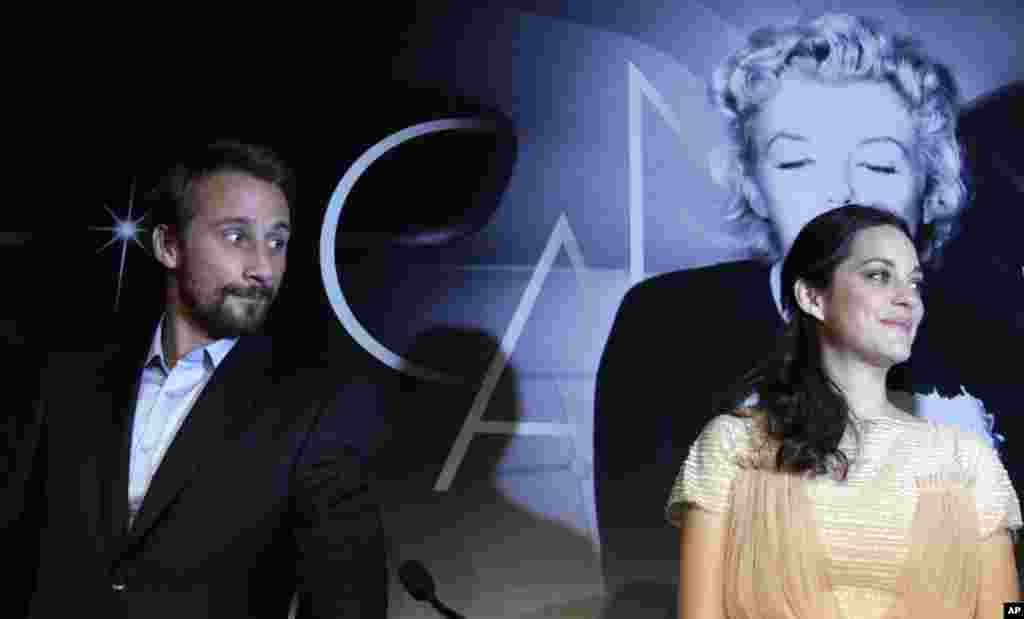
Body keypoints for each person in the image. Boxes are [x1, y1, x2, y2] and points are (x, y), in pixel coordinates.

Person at [593, 14, 1005, 610]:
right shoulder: (664, 327)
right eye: (794, 164)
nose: (839, 193)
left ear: (932, 186)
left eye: (880, 165)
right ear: (753, 186)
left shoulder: (998, 340)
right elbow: (641, 586)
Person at [9, 141, 388, 618]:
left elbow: (348, 602)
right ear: (169, 246)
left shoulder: (316, 404)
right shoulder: (68, 373)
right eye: (236, 237)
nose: (262, 268)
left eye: (277, 241)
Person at [669, 205, 1020, 617]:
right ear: (812, 297)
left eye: (915, 283)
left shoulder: (969, 462)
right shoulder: (731, 448)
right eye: (878, 275)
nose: (907, 299)